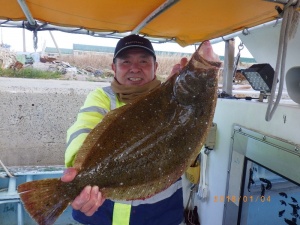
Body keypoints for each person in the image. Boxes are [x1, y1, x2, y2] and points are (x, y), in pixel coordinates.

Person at [61, 34, 188, 225]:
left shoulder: (174, 99)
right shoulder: (102, 97)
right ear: (114, 68)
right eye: (126, 62)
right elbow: (83, 129)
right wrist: (79, 168)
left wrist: (176, 91)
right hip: (101, 212)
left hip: (161, 212)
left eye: (143, 61)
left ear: (156, 66)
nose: (135, 68)